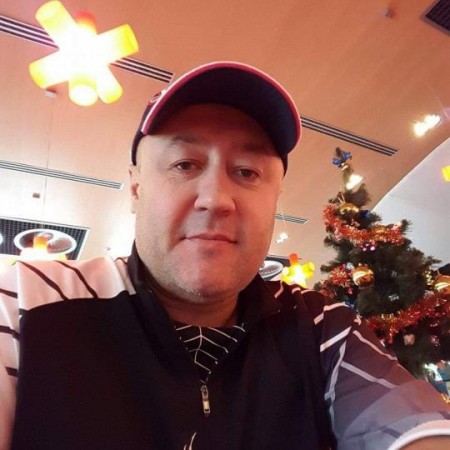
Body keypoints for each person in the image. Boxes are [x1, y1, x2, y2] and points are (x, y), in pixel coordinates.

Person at [1, 61, 450, 450]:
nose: (216, 199)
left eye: (247, 172)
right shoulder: (27, 301)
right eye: (184, 165)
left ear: (275, 197)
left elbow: (412, 425)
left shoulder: (320, 328)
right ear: (136, 188)